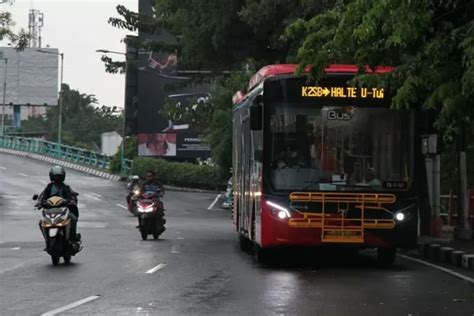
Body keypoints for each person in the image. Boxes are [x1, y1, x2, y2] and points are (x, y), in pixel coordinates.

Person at [38, 165, 80, 241]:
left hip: (63, 210)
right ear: (51, 177)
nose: (57, 179)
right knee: (41, 223)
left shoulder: (66, 187)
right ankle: (47, 240)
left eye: (59, 177)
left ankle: (73, 238)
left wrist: (72, 201)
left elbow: (72, 196)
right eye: (55, 177)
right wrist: (39, 203)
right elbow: (42, 197)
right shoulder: (49, 187)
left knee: (73, 219)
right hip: (50, 210)